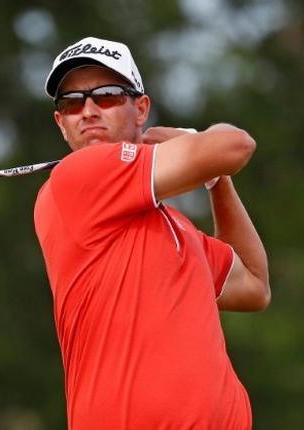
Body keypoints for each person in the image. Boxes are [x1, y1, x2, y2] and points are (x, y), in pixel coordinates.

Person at [33, 36, 270, 429]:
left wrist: (216, 182)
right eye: (71, 103)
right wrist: (196, 141)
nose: (88, 111)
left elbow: (254, 285)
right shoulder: (78, 177)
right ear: (61, 123)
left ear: (140, 108)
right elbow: (235, 144)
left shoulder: (174, 227)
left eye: (106, 95)